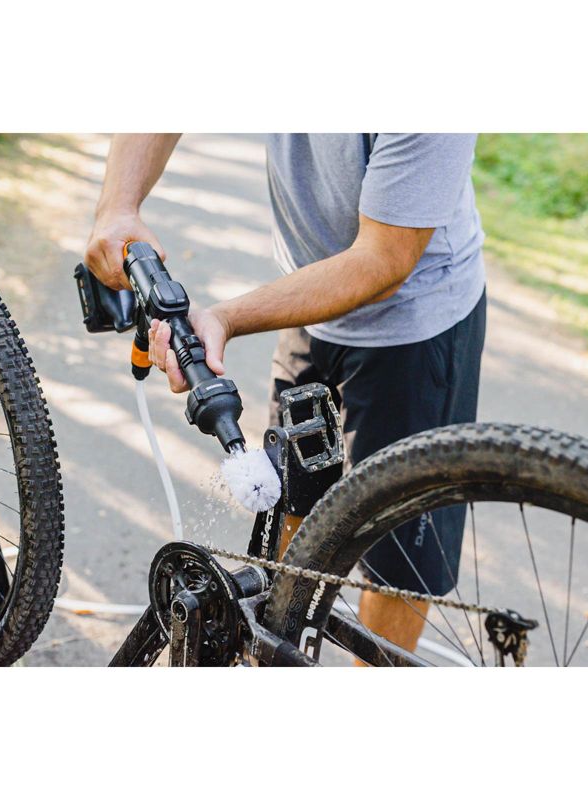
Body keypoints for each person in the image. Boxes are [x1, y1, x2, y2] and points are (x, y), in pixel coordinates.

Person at [85, 133, 486, 655]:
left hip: (415, 325)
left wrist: (225, 319)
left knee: (395, 567)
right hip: (310, 297)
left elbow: (382, 261)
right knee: (289, 523)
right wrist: (117, 207)